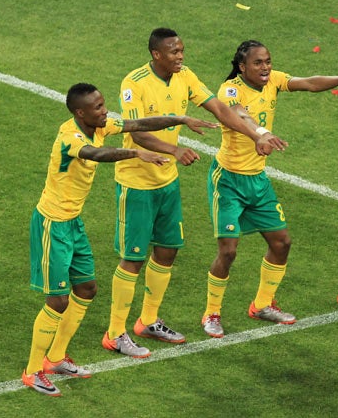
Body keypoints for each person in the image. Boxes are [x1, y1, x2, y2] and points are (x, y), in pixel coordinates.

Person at [23, 83, 217, 396]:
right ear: (80, 112)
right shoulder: (70, 136)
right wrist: (137, 152)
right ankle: (33, 371)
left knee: (86, 289)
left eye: (103, 104)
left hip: (73, 223)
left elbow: (138, 124)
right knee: (57, 300)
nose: (105, 111)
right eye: (98, 107)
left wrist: (180, 119)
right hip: (51, 225)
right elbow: (97, 154)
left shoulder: (99, 125)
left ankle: (55, 358)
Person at [104, 28, 288, 357]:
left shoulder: (185, 76)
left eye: (181, 50)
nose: (181, 56)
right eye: (174, 52)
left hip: (167, 181)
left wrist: (256, 133)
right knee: (133, 258)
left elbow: (221, 109)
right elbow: (138, 131)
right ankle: (115, 333)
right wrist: (174, 150)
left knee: (167, 251)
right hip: (137, 183)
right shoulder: (135, 82)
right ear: (156, 54)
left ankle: (147, 321)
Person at [200, 40, 338, 338]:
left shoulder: (274, 81)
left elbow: (308, 83)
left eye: (268, 61)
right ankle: (212, 313)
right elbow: (238, 113)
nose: (265, 67)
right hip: (228, 180)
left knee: (281, 243)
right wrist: (261, 133)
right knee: (228, 251)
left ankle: (262, 304)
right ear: (242, 66)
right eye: (258, 63)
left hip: (257, 180)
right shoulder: (230, 89)